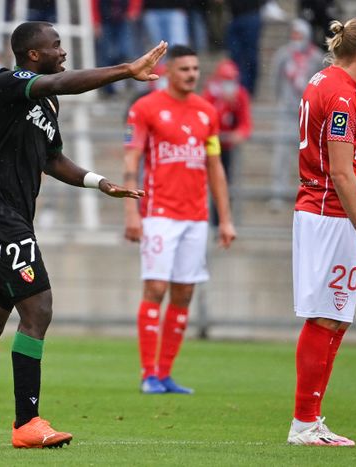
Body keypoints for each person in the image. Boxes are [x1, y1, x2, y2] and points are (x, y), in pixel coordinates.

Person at [0, 21, 167, 449]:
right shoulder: (8, 82)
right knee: (38, 309)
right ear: (33, 55)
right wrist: (127, 70)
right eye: (56, 45)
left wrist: (100, 182)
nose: (63, 50)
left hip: (4, 219)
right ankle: (27, 423)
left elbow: (52, 159)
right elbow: (63, 81)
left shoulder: (47, 104)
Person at [289, 17, 356, 446]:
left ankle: (311, 420)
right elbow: (342, 173)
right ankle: (304, 423)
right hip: (330, 212)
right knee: (327, 317)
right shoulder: (342, 95)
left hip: (324, 211)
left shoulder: (321, 79)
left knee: (336, 318)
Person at [123, 45, 236, 395]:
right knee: (156, 287)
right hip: (159, 214)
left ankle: (165, 373)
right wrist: (131, 211)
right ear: (169, 71)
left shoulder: (206, 113)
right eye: (184, 68)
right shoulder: (145, 108)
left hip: (196, 216)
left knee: (185, 292)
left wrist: (226, 219)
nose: (191, 75)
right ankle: (147, 374)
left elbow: (215, 167)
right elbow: (132, 161)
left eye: (196, 69)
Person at [269, 18, 324, 207]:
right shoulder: (283, 55)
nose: (296, 38)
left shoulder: (317, 57)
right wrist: (281, 101)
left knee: (311, 155)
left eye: (299, 34)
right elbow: (275, 80)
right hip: (287, 112)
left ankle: (312, 193)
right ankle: (279, 192)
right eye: (293, 34)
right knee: (282, 154)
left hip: (309, 114)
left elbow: (321, 84)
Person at [202, 58, 253, 225]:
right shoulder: (210, 94)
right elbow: (204, 119)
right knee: (207, 182)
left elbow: (245, 123)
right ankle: (207, 221)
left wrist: (239, 134)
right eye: (226, 80)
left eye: (232, 81)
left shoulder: (241, 95)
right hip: (210, 146)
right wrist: (223, 104)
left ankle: (223, 222)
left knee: (226, 183)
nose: (229, 84)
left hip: (228, 148)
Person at [92, 0, 142, 96]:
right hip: (105, 21)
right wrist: (96, 22)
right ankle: (108, 88)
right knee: (107, 56)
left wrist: (133, 9)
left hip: (123, 18)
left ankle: (126, 83)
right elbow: (94, 3)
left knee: (125, 52)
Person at [224, 0, 264, 96]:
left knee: (250, 56)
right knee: (236, 56)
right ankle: (241, 88)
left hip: (250, 15)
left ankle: (247, 89)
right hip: (235, 16)